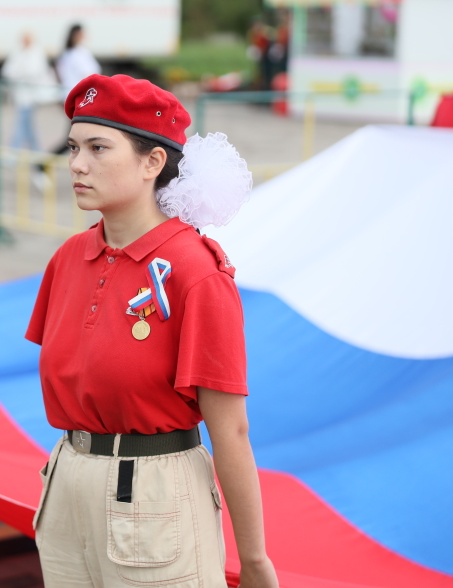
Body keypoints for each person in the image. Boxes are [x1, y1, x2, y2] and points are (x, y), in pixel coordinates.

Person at [27, 74, 278, 588]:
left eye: (98, 148)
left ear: (152, 162)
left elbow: (230, 429)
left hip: (154, 493)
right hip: (66, 484)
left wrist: (253, 560)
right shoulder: (69, 258)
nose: (76, 164)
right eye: (74, 147)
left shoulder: (195, 270)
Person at [1, 31, 56, 153]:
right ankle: (37, 152)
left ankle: (14, 152)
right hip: (20, 95)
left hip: (31, 96)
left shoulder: (36, 52)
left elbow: (34, 71)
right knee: (28, 126)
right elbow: (8, 71)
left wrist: (19, 72)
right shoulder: (17, 52)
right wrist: (21, 72)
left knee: (21, 125)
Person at [50, 24, 101, 156]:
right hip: (82, 100)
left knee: (80, 136)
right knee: (78, 138)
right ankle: (42, 165)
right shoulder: (78, 54)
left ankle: (44, 164)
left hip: (71, 98)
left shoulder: (66, 55)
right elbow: (90, 76)